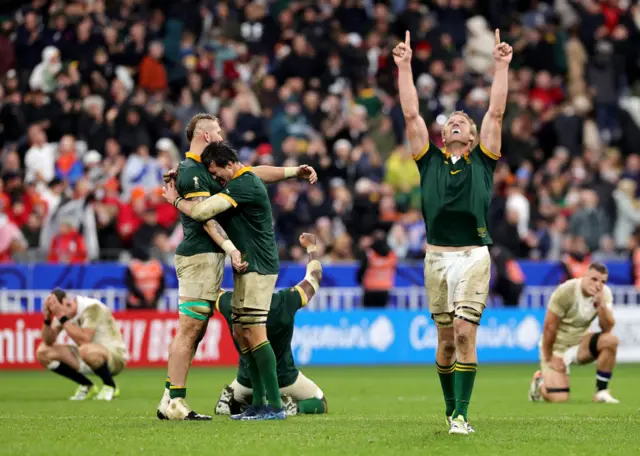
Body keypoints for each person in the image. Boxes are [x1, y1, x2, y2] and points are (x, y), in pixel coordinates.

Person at [157, 113, 317, 420]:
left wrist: (175, 201)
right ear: (205, 136)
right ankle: (177, 398)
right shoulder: (201, 171)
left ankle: (270, 405)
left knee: (250, 331)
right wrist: (292, 171)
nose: (222, 135)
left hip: (253, 262)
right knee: (222, 330)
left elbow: (210, 205)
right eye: (217, 131)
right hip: (226, 260)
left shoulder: (234, 179)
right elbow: (210, 211)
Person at [393, 29, 512, 435]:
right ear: (444, 135)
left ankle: (461, 415)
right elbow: (411, 114)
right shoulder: (428, 161)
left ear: (475, 136)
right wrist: (405, 66)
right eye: (453, 121)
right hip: (436, 258)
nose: (459, 121)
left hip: (474, 254)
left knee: (464, 333)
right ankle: (450, 410)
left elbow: (495, 111)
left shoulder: (484, 160)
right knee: (445, 343)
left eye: (465, 121)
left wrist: (501, 66)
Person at [214, 233, 327, 417]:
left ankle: (232, 401)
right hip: (286, 380)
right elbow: (315, 277)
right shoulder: (285, 301)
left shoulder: (229, 302)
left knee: (238, 391)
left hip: (246, 382)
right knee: (320, 401)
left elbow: (210, 290)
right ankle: (293, 406)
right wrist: (312, 248)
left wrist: (222, 247)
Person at [528, 263, 620, 404]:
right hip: (557, 347)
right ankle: (539, 382)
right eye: (594, 279)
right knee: (559, 399)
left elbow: (607, 328)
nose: (598, 285)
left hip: (580, 345)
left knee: (610, 340)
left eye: (602, 281)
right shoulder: (566, 291)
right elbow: (549, 327)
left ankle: (601, 392)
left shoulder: (604, 293)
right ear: (584, 277)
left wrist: (601, 304)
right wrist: (549, 357)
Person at [35, 288, 127, 401]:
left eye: (58, 310)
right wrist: (47, 319)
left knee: (85, 349)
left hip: (114, 357)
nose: (57, 314)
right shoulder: (63, 314)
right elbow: (48, 341)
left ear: (67, 302)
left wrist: (61, 316)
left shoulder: (91, 307)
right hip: (87, 354)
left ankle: (110, 385)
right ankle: (87, 385)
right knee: (43, 352)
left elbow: (85, 339)